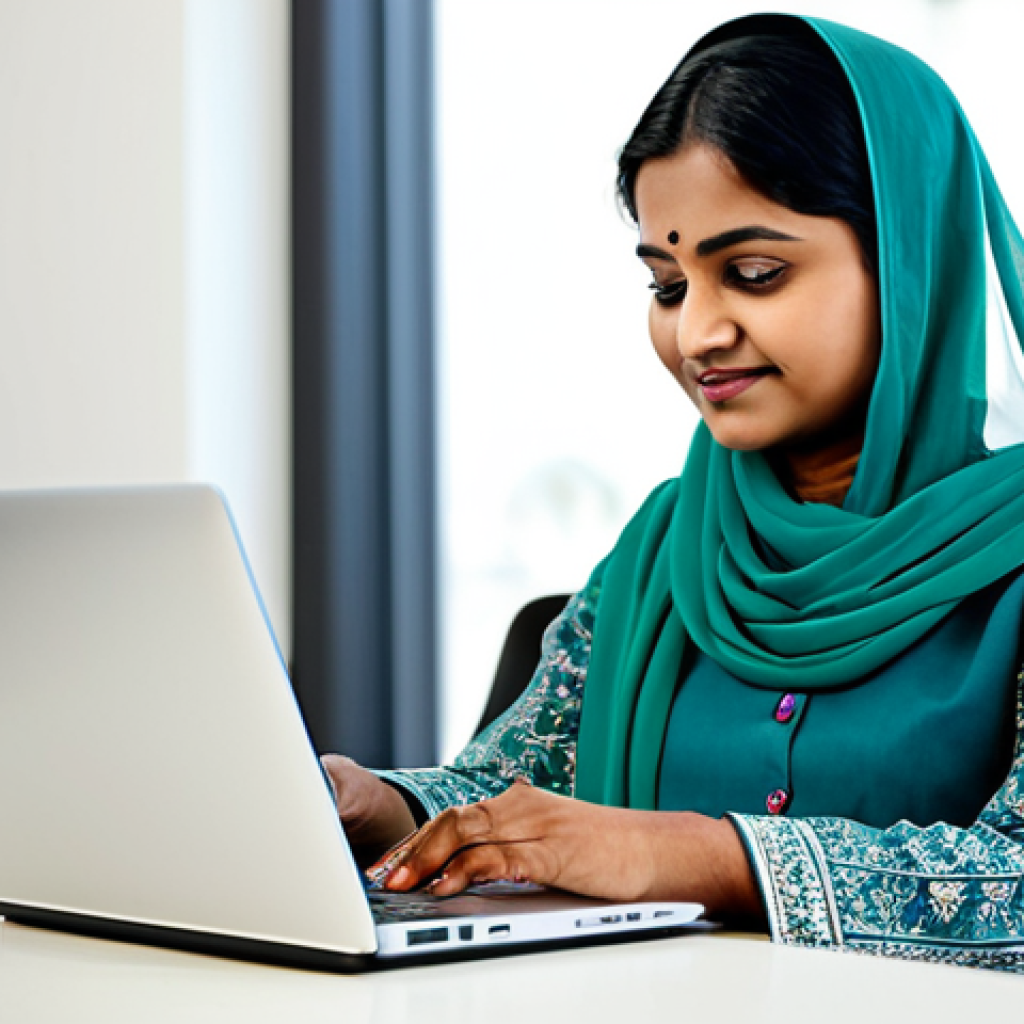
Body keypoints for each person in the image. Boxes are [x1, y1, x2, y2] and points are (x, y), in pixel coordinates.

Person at [322, 13, 1024, 971]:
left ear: (908, 262)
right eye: (665, 285)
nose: (696, 334)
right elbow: (512, 792)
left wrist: (698, 855)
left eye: (753, 273)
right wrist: (386, 807)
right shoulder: (666, 551)